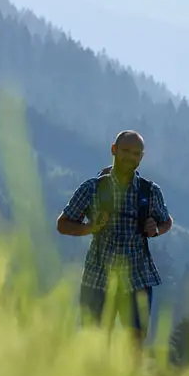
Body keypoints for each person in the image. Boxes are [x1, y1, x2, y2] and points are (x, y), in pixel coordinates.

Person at [56, 129, 172, 338]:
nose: (130, 157)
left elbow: (167, 221)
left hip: (138, 277)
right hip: (97, 278)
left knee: (134, 346)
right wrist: (89, 228)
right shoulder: (91, 188)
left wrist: (155, 230)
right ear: (114, 150)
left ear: (142, 157)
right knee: (94, 342)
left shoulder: (150, 191)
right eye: (125, 151)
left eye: (136, 154)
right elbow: (63, 224)